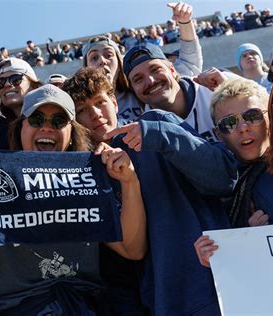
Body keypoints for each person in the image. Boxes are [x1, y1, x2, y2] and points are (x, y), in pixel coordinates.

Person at [0, 84, 147, 314]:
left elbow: (132, 250)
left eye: (58, 121)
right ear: (20, 128)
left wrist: (130, 182)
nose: (46, 128)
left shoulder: (88, 178)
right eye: (36, 119)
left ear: (72, 134)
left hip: (84, 305)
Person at [63, 67, 238, 315]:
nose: (94, 114)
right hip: (165, 301)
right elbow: (133, 251)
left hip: (224, 281)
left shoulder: (157, 121)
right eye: (82, 110)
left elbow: (223, 178)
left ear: (114, 102)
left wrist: (160, 135)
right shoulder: (86, 174)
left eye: (100, 102)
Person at [195, 72, 273, 267]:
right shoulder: (225, 186)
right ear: (218, 134)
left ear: (271, 115)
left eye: (252, 116)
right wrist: (223, 252)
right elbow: (238, 267)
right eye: (229, 123)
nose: (243, 127)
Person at [82, 2, 203, 124]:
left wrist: (185, 22)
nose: (102, 61)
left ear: (120, 64)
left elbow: (189, 63)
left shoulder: (139, 87)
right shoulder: (81, 102)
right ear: (86, 68)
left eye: (109, 55)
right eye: (94, 58)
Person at [123, 42, 218, 141]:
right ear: (133, 89)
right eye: (138, 79)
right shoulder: (143, 136)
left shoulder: (215, 89)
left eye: (155, 70)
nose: (150, 81)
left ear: (172, 70)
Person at [0, 57, 42, 123]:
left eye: (16, 79)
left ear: (33, 85)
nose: (7, 84)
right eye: (0, 82)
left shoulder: (51, 119)